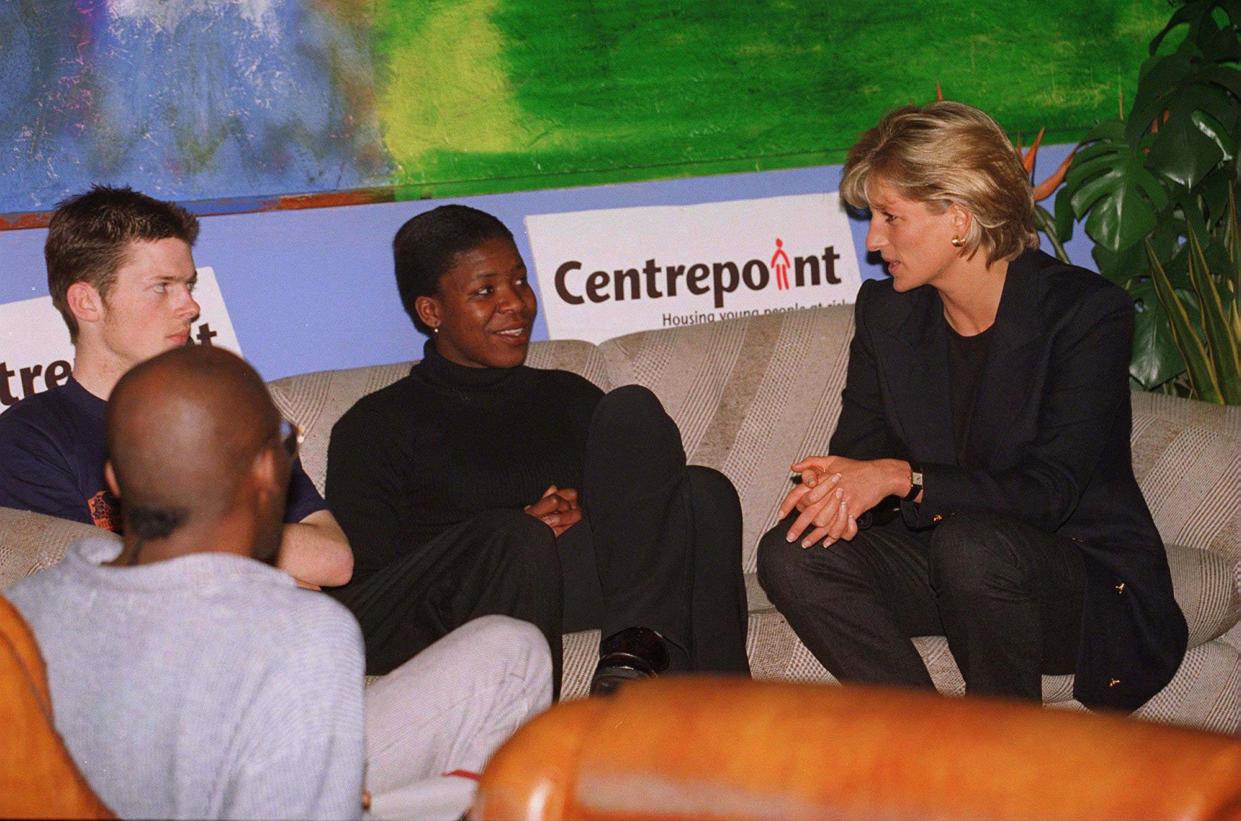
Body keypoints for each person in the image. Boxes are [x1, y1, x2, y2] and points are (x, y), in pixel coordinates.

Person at [756, 101, 1187, 712]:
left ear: (958, 218)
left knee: (973, 546)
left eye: (889, 217)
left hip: (1074, 582)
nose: (873, 240)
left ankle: (1000, 763)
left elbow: (1049, 491)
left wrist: (902, 478)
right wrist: (840, 492)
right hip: (944, 564)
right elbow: (864, 457)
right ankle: (930, 744)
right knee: (790, 550)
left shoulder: (1084, 313)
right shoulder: (888, 314)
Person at [4, 345, 552, 820]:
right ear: (270, 475)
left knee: (511, 648)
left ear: (115, 480)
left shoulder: (23, 611)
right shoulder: (302, 634)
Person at [327, 204, 751, 694]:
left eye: (519, 282)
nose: (516, 304)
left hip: (579, 585)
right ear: (432, 311)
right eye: (485, 291)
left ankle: (660, 675)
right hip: (468, 603)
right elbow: (372, 590)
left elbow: (638, 524)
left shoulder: (569, 396)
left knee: (700, 488)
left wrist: (587, 513)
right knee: (516, 537)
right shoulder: (375, 424)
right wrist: (516, 529)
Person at [0, 185, 352, 589]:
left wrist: (179, 540)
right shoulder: (31, 437)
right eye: (162, 286)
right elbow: (99, 592)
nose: (191, 306)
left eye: (189, 285)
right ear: (87, 303)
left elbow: (332, 559)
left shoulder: (225, 409)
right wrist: (259, 554)